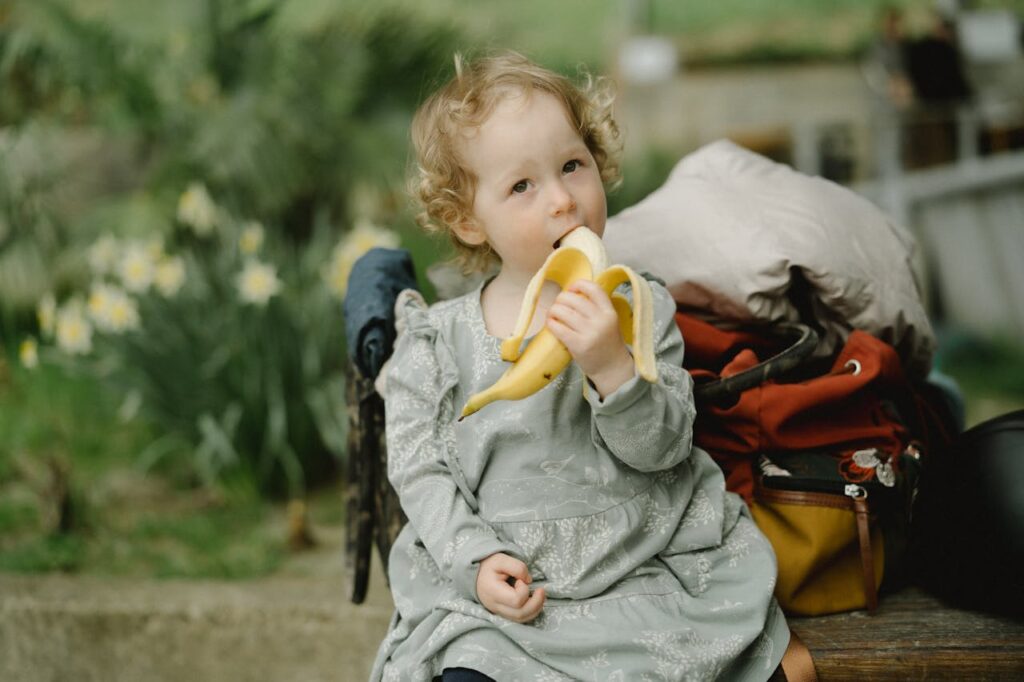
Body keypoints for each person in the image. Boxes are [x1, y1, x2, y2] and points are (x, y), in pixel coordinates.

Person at [369, 52, 789, 681]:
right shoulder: (436, 340)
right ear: (468, 219)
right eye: (522, 186)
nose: (563, 200)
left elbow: (665, 449)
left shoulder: (636, 305)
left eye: (572, 166)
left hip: (636, 566)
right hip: (509, 591)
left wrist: (613, 366)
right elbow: (419, 469)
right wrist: (475, 561)